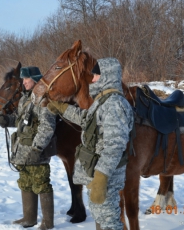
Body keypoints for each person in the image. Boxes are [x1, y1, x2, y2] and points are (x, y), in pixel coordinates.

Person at [47, 58, 134, 230]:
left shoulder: (115, 104)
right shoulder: (102, 102)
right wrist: (63, 109)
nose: (92, 79)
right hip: (96, 171)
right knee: (101, 215)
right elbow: (86, 120)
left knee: (110, 221)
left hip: (106, 176)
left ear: (106, 76)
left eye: (96, 75)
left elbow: (115, 145)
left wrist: (101, 177)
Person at [0, 66, 56, 230]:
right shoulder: (25, 98)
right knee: (25, 182)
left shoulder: (44, 100)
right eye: (23, 80)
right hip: (23, 150)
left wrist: (37, 149)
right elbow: (19, 120)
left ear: (35, 80)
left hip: (37, 152)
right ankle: (29, 218)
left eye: (26, 80)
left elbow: (47, 127)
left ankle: (48, 223)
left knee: (41, 184)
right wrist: (6, 121)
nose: (24, 83)